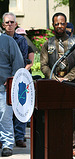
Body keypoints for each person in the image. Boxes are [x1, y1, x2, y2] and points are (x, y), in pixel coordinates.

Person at [40, 12, 75, 157]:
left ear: (66, 24)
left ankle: (73, 145)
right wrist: (53, 78)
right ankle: (55, 142)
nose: (59, 26)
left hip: (72, 84)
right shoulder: (48, 44)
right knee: (54, 113)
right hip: (54, 84)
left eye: (62, 23)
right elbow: (44, 65)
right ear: (53, 25)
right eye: (56, 23)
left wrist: (68, 78)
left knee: (72, 114)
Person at [2, 12, 28, 148]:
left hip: (14, 80)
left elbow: (22, 60)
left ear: (16, 24)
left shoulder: (19, 40)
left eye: (12, 22)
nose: (10, 24)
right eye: (7, 22)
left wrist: (15, 78)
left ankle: (15, 139)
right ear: (3, 25)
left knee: (14, 110)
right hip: (3, 82)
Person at [0, 33, 24, 156]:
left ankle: (7, 144)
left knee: (5, 117)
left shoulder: (8, 41)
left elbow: (18, 61)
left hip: (4, 88)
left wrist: (12, 79)